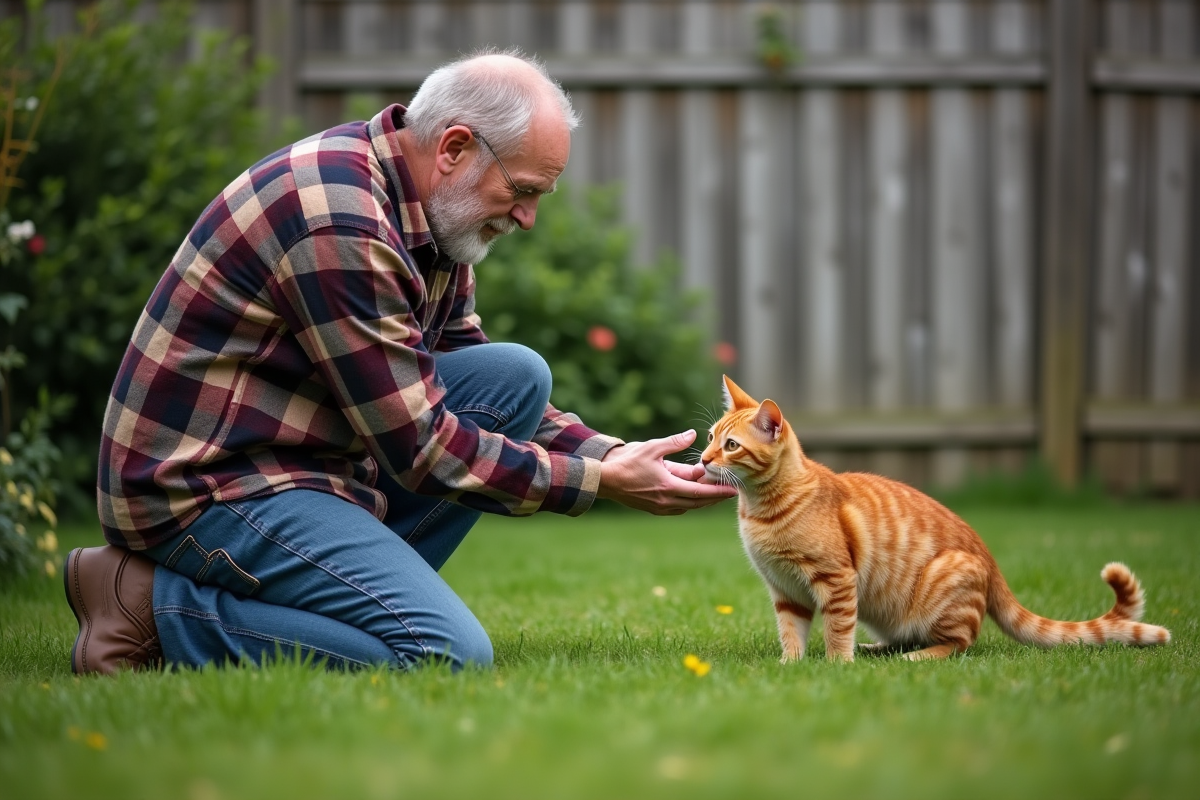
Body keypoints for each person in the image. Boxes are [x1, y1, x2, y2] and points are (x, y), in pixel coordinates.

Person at [64, 51, 736, 675]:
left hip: (298, 462)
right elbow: (423, 448)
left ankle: (344, 604)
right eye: (524, 190)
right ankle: (149, 605)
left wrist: (612, 454)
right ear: (454, 148)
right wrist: (594, 482)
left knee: (515, 376)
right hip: (206, 486)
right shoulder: (340, 224)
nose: (529, 218)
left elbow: (463, 362)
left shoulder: (429, 212)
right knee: (443, 652)